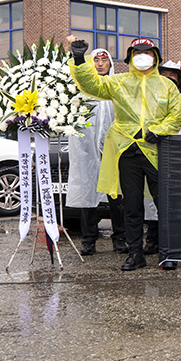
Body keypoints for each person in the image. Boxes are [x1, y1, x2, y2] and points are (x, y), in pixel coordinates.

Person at [67, 36, 181, 271]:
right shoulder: (119, 82)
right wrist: (79, 60)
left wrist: (159, 130)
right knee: (131, 206)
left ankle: (168, 252)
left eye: (147, 53)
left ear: (155, 58)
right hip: (127, 152)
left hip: (156, 152)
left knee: (164, 204)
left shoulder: (166, 85)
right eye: (137, 53)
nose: (142, 57)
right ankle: (135, 253)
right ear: (130, 58)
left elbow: (176, 115)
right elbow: (91, 85)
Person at [68, 48, 125, 256]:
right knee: (88, 192)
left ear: (110, 64)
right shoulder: (82, 90)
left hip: (113, 148)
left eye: (104, 60)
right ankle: (88, 240)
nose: (100, 64)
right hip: (87, 149)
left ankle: (120, 238)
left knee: (116, 194)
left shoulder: (117, 87)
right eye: (96, 60)